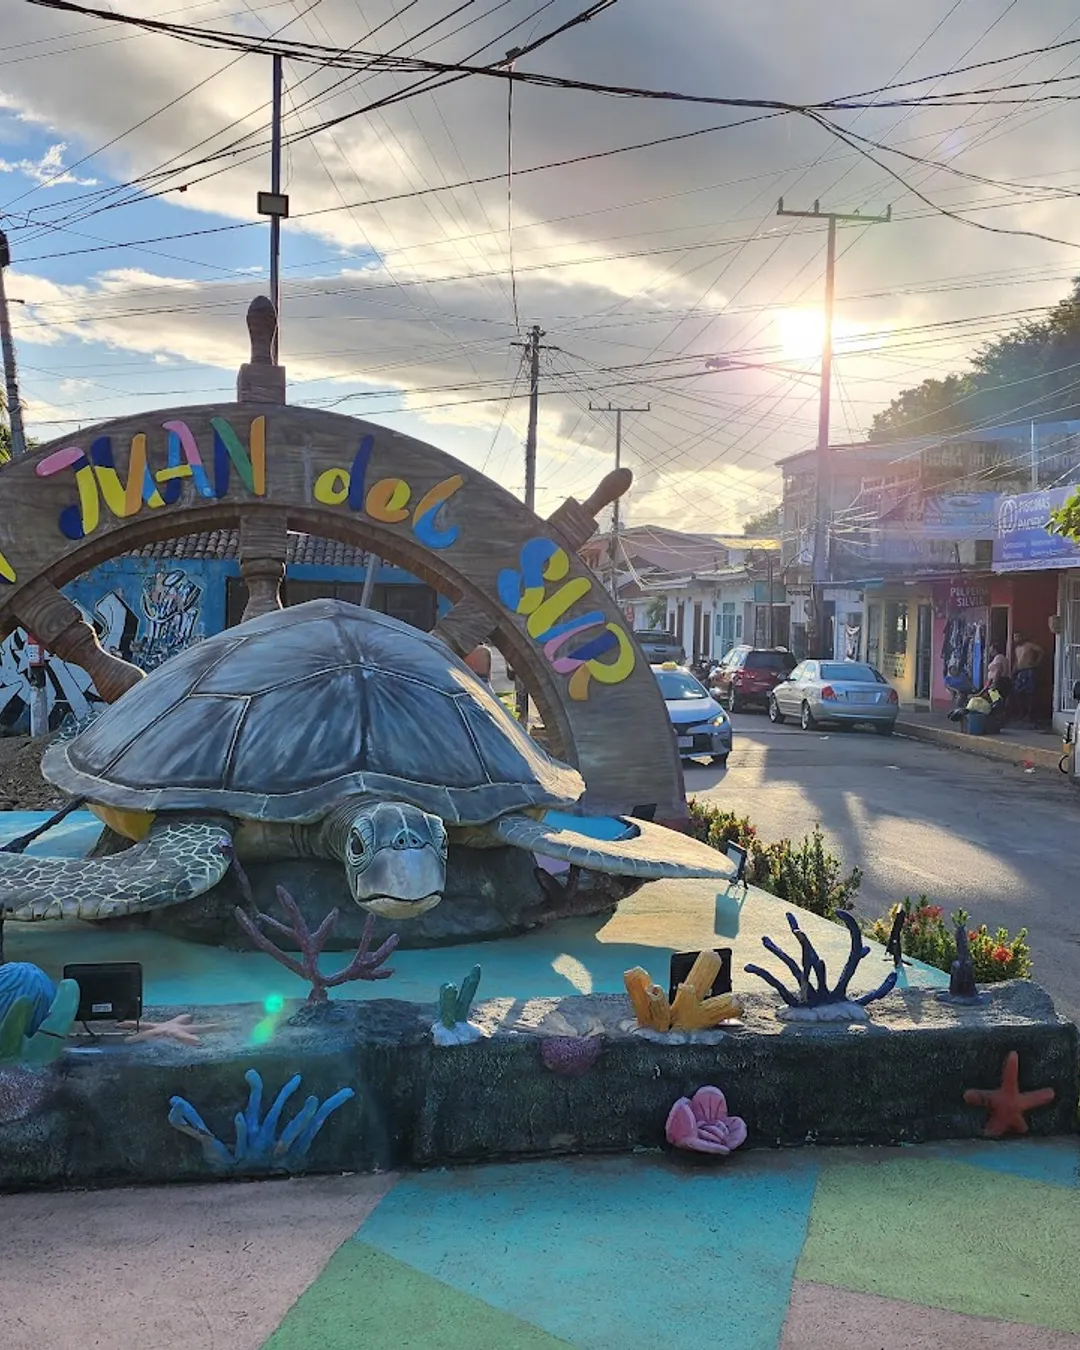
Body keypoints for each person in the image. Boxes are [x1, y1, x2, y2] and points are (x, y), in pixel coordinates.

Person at [1012, 633, 1044, 724]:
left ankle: (1030, 714)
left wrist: (1037, 662)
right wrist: (1013, 671)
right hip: (1020, 672)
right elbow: (1017, 661)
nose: (1016, 639)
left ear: (1022, 637)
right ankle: (1022, 712)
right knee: (1017, 692)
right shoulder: (1017, 649)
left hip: (1029, 670)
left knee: (1030, 693)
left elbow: (1041, 651)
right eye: (1014, 637)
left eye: (1018, 636)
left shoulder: (1029, 645)